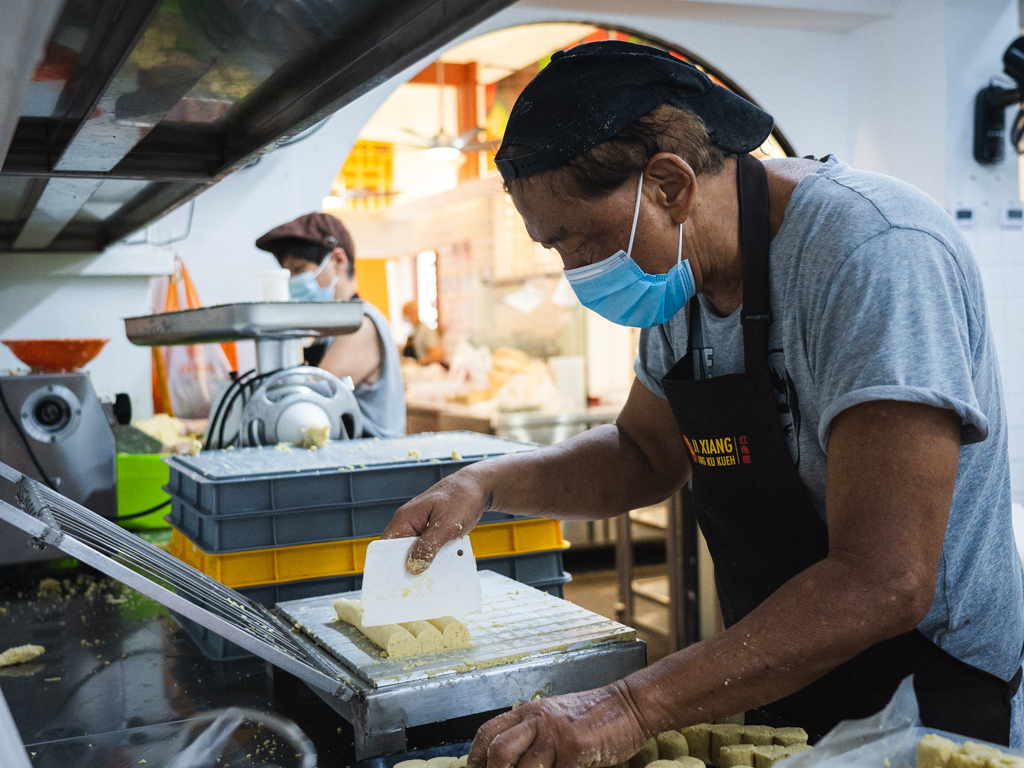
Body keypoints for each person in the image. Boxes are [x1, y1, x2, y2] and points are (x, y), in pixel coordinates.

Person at [382, 40, 1024, 758]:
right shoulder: (686, 282)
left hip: (928, 696)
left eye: (578, 242)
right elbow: (644, 452)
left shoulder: (873, 252)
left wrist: (628, 704)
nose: (576, 272)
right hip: (776, 679)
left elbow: (886, 578)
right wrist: (488, 483)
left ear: (669, 186)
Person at [256, 212, 406, 437]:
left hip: (371, 462)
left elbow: (306, 403)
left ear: (338, 261)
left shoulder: (362, 324)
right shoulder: (328, 330)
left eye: (298, 269)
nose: (293, 281)